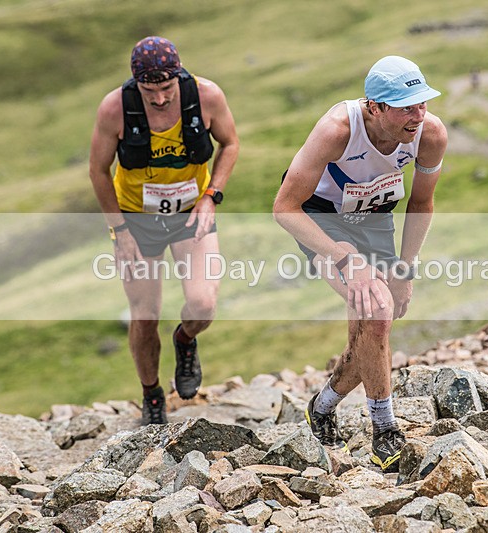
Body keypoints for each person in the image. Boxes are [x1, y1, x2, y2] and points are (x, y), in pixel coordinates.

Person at [273, 56, 448, 472]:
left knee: (371, 328)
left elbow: (421, 203)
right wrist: (342, 257)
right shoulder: (338, 130)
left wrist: (405, 269)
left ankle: (322, 405)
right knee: (377, 310)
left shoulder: (431, 135)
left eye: (422, 103)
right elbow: (284, 207)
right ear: (375, 107)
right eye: (406, 107)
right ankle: (385, 430)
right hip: (319, 217)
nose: (418, 115)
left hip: (373, 215)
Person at [89, 36, 239, 425]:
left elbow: (231, 143)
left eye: (167, 89)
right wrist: (119, 229)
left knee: (203, 304)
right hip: (135, 220)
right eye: (149, 91)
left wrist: (211, 195)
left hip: (191, 216)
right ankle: (152, 393)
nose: (158, 99)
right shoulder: (114, 108)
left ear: (180, 76)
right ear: (136, 83)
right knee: (144, 313)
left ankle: (185, 339)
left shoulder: (206, 96)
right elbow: (97, 170)